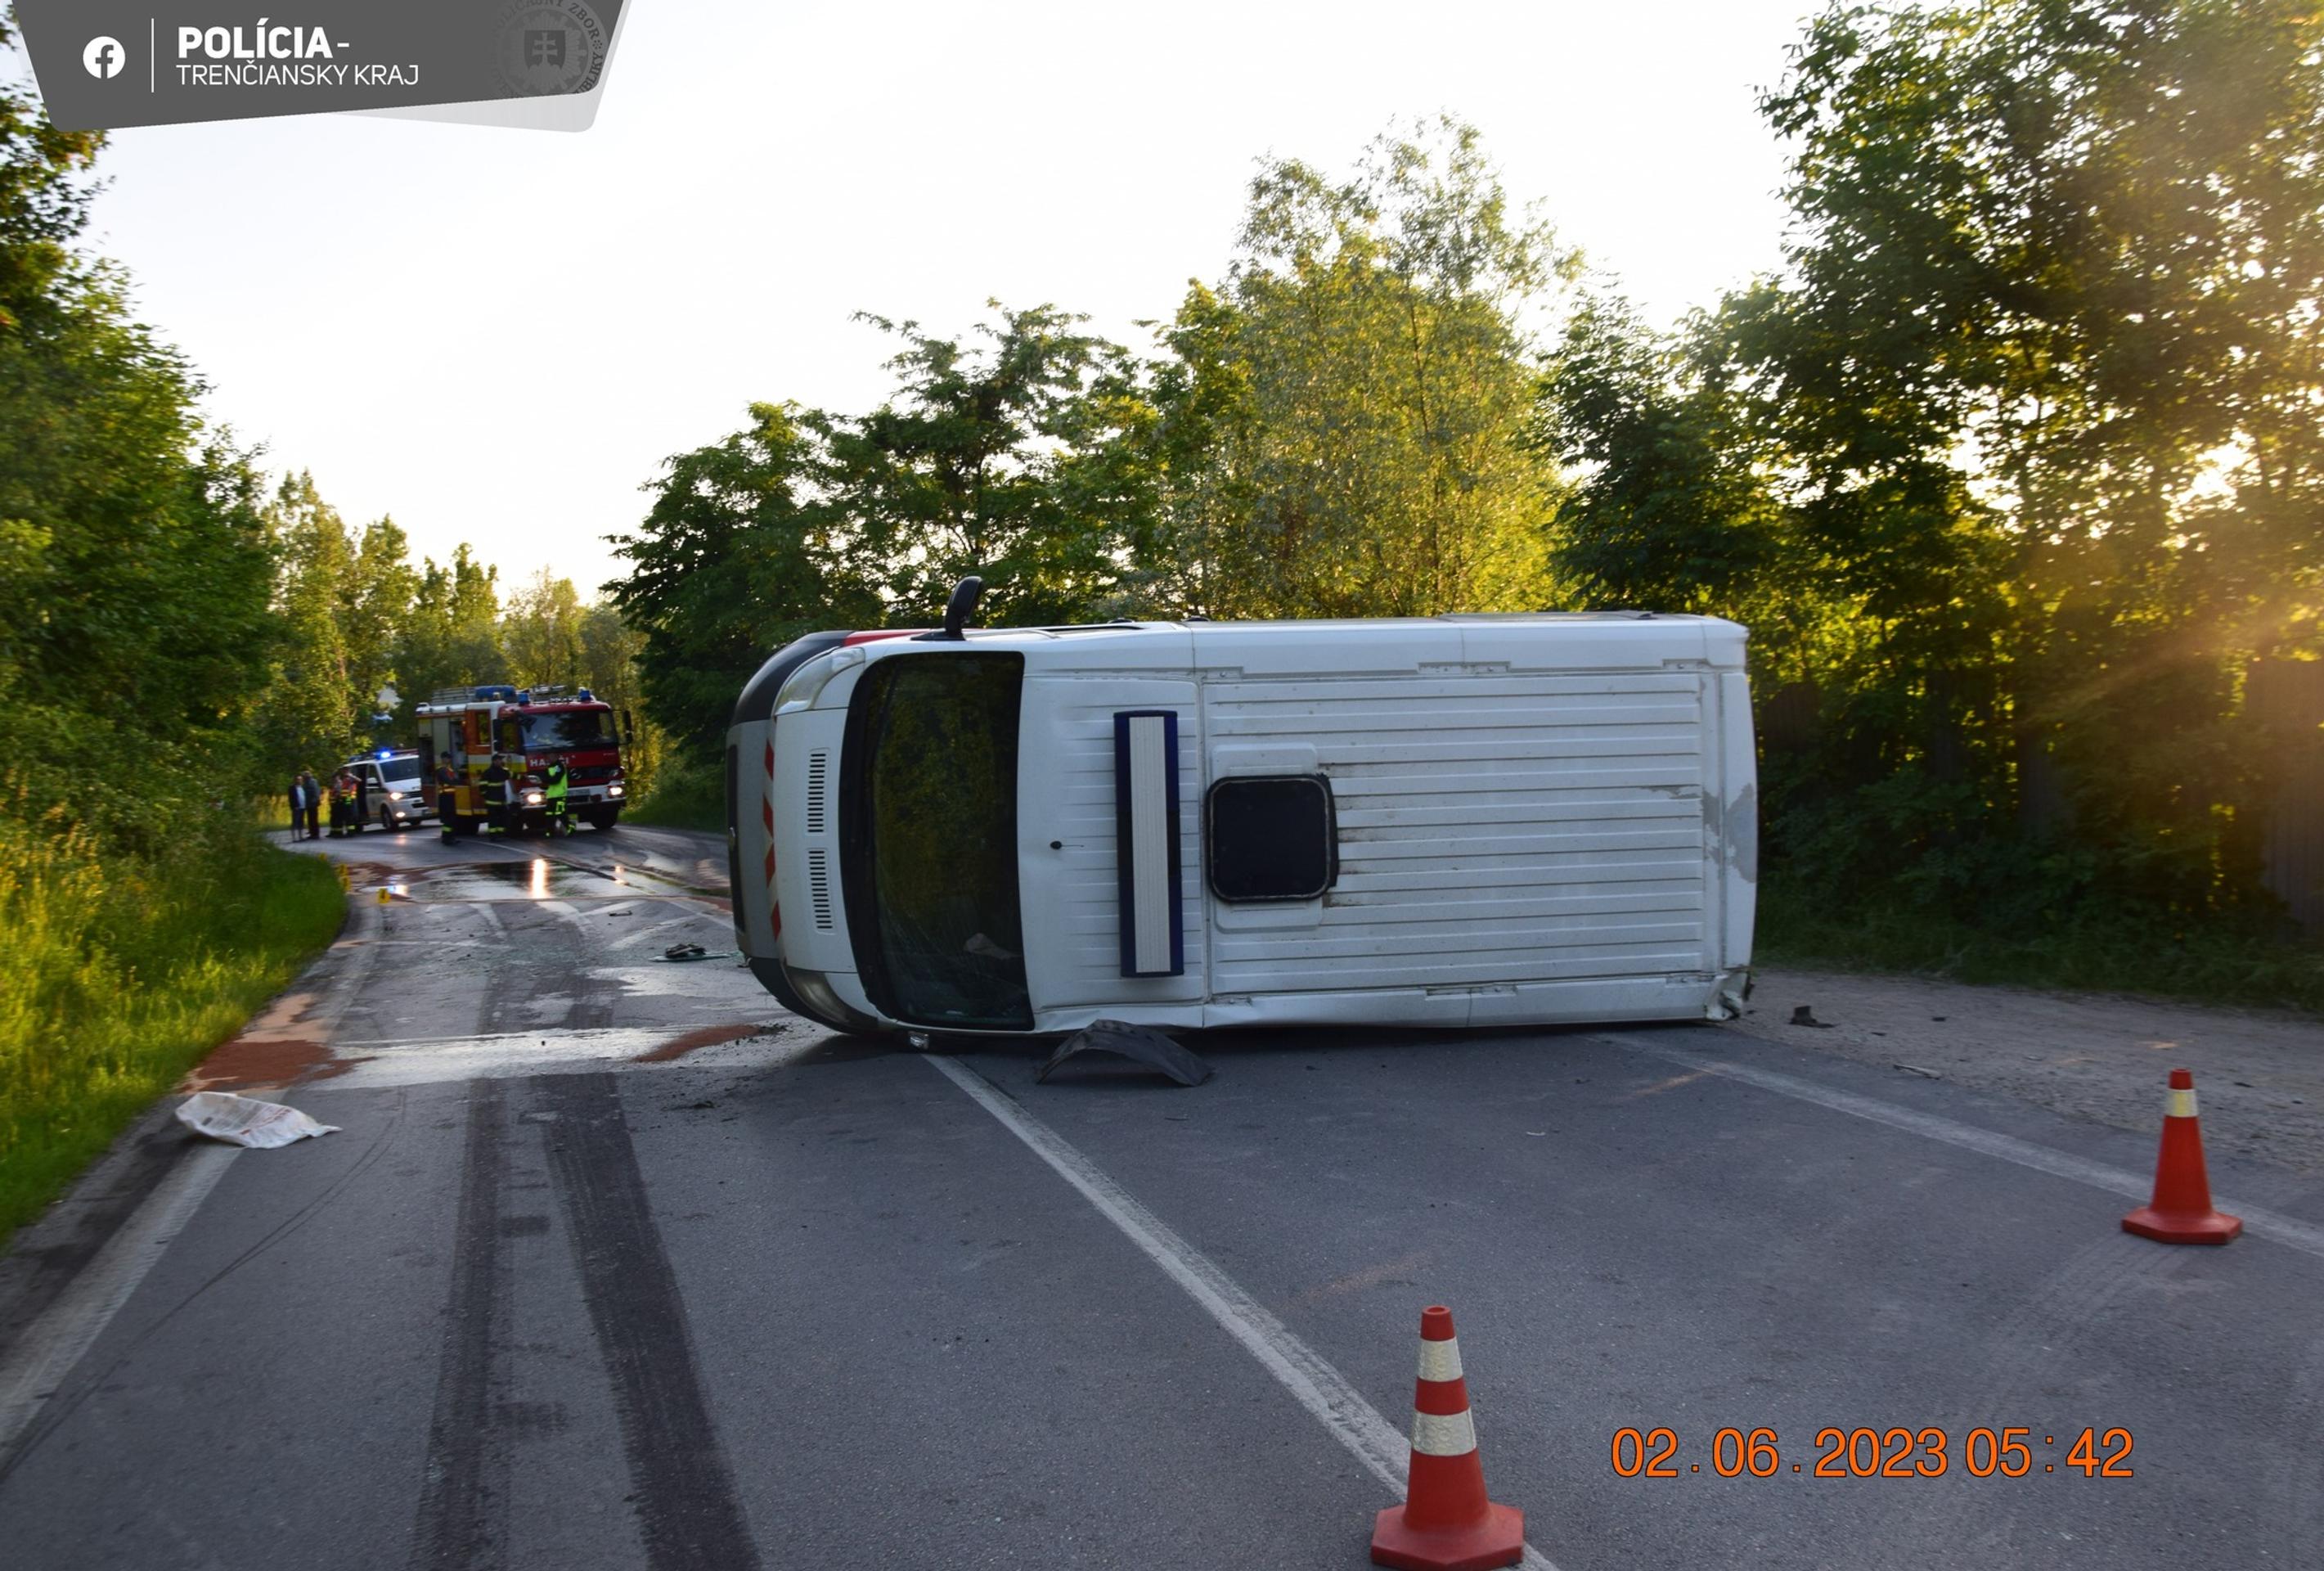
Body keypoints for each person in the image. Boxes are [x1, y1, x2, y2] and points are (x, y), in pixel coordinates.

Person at [483, 754, 512, 835]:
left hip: (501, 801)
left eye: (501, 760)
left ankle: (500, 833)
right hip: (492, 802)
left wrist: (524, 778)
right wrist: (486, 796)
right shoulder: (488, 772)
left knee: (502, 817)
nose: (501, 762)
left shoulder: (502, 771)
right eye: (499, 760)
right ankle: (493, 835)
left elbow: (512, 775)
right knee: (493, 819)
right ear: (494, 761)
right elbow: (482, 786)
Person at [542, 757, 570, 836]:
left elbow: (555, 780)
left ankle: (570, 828)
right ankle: (550, 832)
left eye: (550, 756)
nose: (548, 758)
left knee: (561, 814)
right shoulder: (550, 767)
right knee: (549, 815)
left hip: (560, 795)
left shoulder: (559, 767)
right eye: (548, 756)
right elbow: (546, 779)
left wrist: (546, 780)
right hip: (551, 796)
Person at [436, 756, 461, 844]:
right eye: (446, 758)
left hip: (450, 796)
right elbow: (449, 781)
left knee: (452, 818)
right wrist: (455, 781)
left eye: (449, 758)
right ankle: (447, 838)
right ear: (443, 759)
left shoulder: (449, 770)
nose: (448, 760)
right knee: (448, 819)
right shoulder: (441, 770)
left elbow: (454, 780)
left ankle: (450, 837)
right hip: (445, 797)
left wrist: (456, 781)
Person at [299, 771, 322, 840]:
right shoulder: (306, 783)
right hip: (308, 804)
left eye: (304, 776)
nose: (303, 777)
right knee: (310, 819)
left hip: (313, 804)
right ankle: (312, 833)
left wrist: (314, 801)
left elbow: (316, 792)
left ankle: (316, 834)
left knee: (313, 819)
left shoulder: (312, 782)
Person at [287, 773, 307, 842]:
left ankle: (300, 837)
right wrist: (294, 806)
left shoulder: (303, 787)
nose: (299, 781)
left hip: (303, 807)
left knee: (301, 822)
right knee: (295, 822)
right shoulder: (292, 788)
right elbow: (291, 798)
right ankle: (294, 838)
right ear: (295, 780)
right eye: (298, 779)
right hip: (296, 807)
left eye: (300, 779)